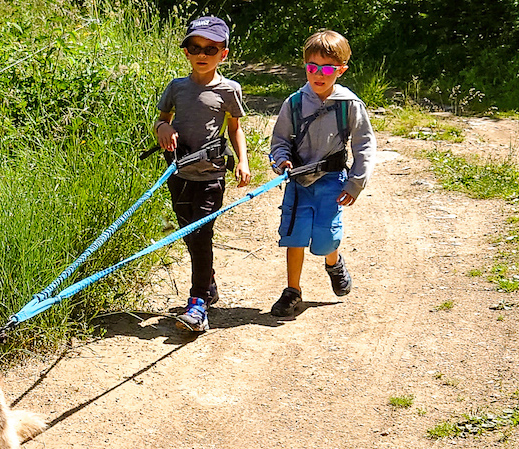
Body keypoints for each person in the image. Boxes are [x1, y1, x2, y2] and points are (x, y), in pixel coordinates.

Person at [268, 29, 376, 318]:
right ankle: (292, 291)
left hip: (331, 181)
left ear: (341, 70)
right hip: (299, 181)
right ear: (305, 66)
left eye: (327, 68)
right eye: (312, 67)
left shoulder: (349, 105)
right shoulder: (293, 103)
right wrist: (281, 162)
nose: (319, 74)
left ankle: (333, 261)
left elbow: (363, 143)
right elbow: (279, 140)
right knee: (294, 235)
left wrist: (355, 183)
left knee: (326, 237)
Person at [155, 15, 251, 332]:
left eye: (211, 49)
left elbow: (235, 128)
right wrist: (163, 128)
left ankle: (197, 305)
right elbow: (161, 120)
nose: (202, 54)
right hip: (178, 173)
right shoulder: (177, 88)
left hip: (211, 175)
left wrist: (243, 160)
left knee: (202, 234)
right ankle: (207, 280)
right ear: (186, 51)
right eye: (195, 47)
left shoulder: (229, 90)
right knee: (189, 233)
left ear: (223, 54)